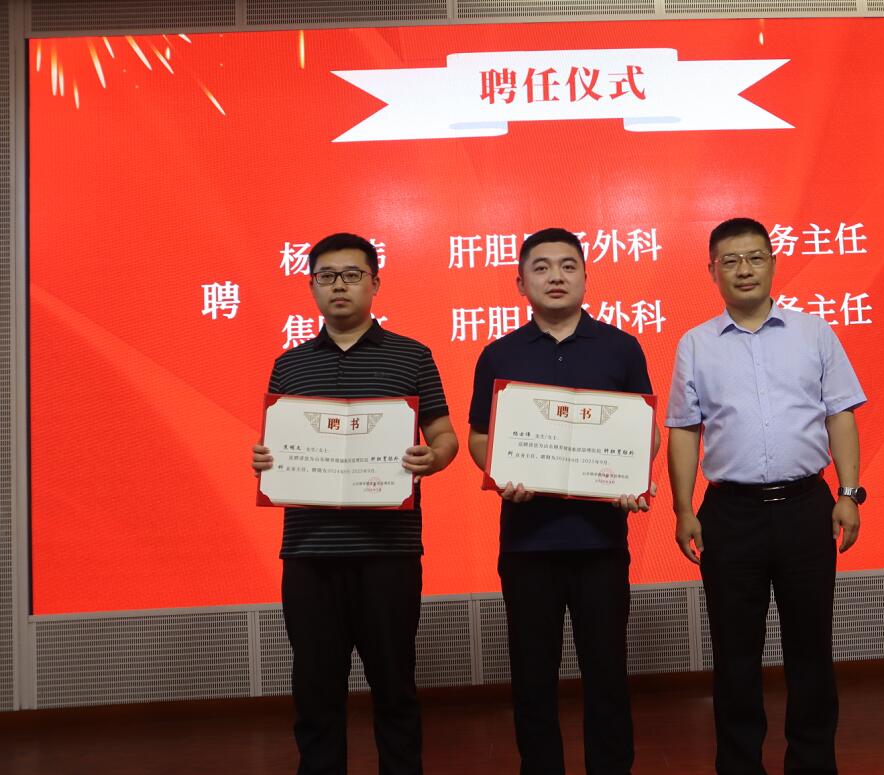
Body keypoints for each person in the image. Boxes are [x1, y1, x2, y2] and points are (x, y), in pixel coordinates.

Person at [251, 232, 458, 775]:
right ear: (312, 287)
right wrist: (266, 460)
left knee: (395, 687)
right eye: (326, 276)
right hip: (309, 552)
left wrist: (432, 457)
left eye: (351, 275)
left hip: (389, 552)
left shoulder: (412, 356)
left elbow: (445, 436)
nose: (338, 286)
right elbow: (280, 446)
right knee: (315, 691)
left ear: (375, 283)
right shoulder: (289, 365)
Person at [666, 217, 866, 775]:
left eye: (755, 257)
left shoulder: (814, 333)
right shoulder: (695, 344)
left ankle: (813, 763)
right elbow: (683, 429)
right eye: (730, 261)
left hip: (806, 508)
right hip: (730, 514)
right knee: (735, 655)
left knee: (811, 650)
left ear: (774, 263)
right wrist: (683, 509)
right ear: (712, 271)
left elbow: (840, 414)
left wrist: (849, 493)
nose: (744, 270)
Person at [467, 227, 657, 775]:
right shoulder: (499, 354)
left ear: (585, 277)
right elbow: (480, 434)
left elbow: (644, 430)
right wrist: (501, 472)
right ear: (520, 282)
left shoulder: (621, 347)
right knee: (532, 678)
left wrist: (631, 475)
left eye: (568, 266)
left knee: (607, 674)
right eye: (542, 266)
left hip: (600, 542)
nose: (556, 276)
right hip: (527, 543)